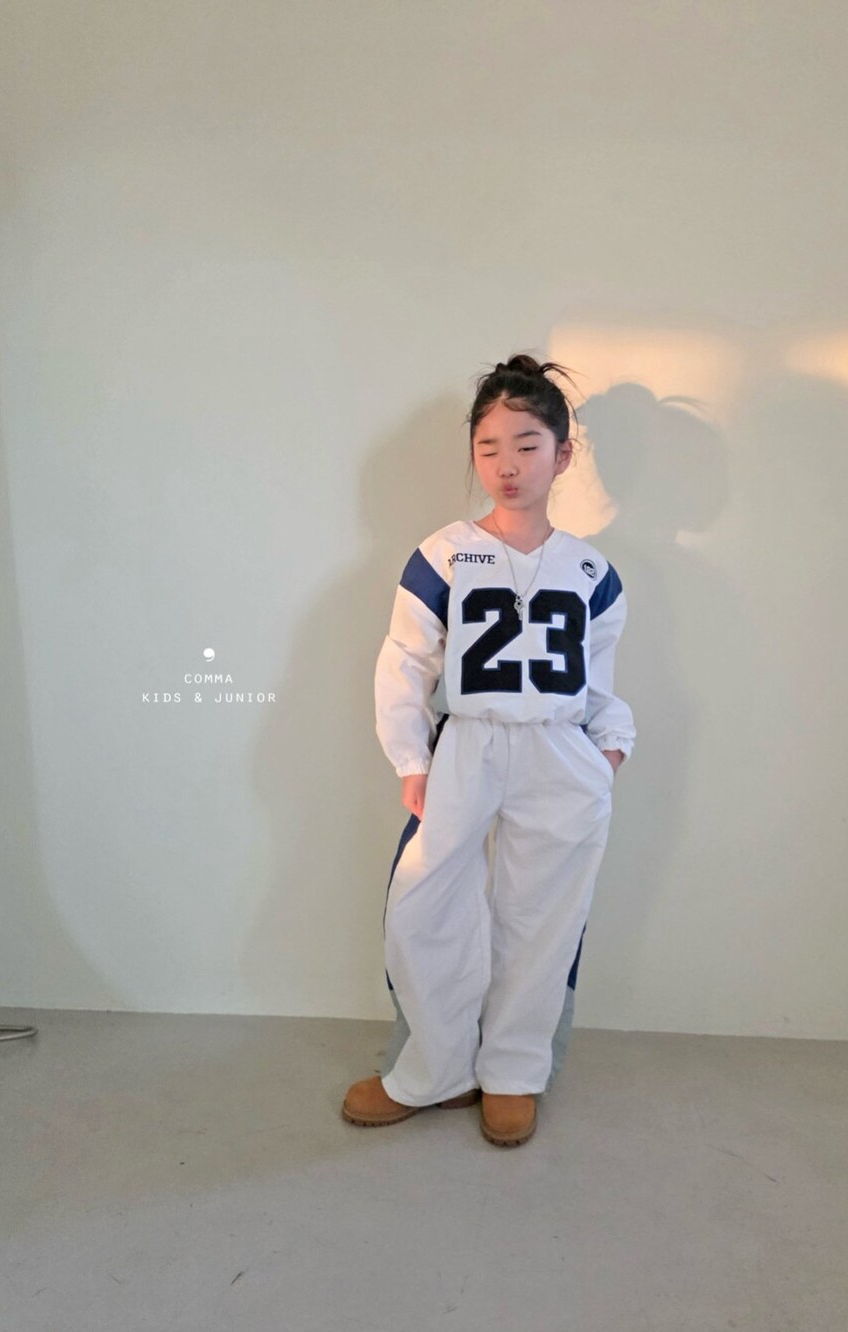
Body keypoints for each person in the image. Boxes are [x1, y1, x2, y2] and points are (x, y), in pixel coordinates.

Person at [341, 354, 635, 1147]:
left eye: (528, 445)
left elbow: (597, 680)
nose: (507, 465)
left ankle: (512, 1072)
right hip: (466, 745)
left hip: (558, 754)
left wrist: (606, 753)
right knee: (426, 903)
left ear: (563, 454)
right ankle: (433, 1069)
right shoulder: (443, 554)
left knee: (544, 913)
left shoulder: (592, 572)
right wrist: (411, 759)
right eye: (489, 447)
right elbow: (406, 661)